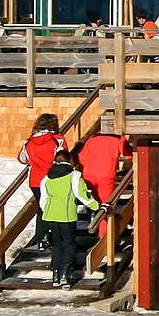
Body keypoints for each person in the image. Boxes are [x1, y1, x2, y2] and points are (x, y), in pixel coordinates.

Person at [38, 149, 100, 287]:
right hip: (66, 216)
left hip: (50, 215)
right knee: (69, 244)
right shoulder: (74, 175)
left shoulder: (47, 178)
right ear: (69, 160)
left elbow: (43, 199)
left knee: (57, 245)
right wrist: (97, 206)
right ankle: (65, 274)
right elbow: (82, 194)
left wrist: (47, 211)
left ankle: (55, 274)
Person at [18, 114, 68, 250]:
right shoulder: (57, 140)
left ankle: (40, 238)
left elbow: (22, 159)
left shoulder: (29, 142)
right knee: (53, 209)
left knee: (42, 208)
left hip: (35, 180)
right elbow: (63, 158)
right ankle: (50, 237)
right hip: (52, 178)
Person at [76, 131, 130, 236]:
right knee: (105, 208)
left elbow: (81, 157)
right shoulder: (118, 138)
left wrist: (83, 171)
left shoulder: (93, 137)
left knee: (97, 204)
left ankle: (93, 217)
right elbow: (128, 155)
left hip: (89, 175)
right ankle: (103, 238)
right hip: (106, 176)